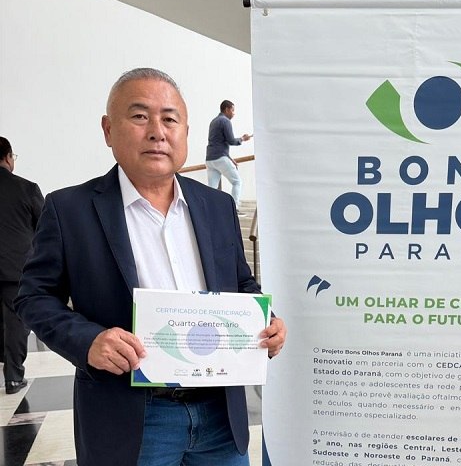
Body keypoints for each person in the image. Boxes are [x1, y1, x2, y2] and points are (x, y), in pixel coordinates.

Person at [15, 68, 286, 465]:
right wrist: (88, 340)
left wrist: (266, 320)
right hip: (132, 418)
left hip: (220, 415)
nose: (158, 132)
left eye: (170, 119)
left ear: (186, 133)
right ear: (109, 130)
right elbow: (34, 297)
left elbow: (241, 283)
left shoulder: (216, 205)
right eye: (140, 116)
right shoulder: (69, 209)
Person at [0, 137, 43, 394]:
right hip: (15, 268)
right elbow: (45, 229)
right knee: (16, 321)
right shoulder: (26, 188)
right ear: (8, 157)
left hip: (12, 267)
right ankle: (13, 377)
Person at [205, 100, 252, 214]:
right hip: (220, 158)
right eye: (233, 110)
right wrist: (242, 139)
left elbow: (218, 142)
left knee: (212, 188)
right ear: (226, 109)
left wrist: (230, 159)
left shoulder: (214, 121)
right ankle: (233, 209)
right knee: (237, 182)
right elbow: (231, 140)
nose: (234, 113)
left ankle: (209, 210)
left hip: (210, 159)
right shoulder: (225, 121)